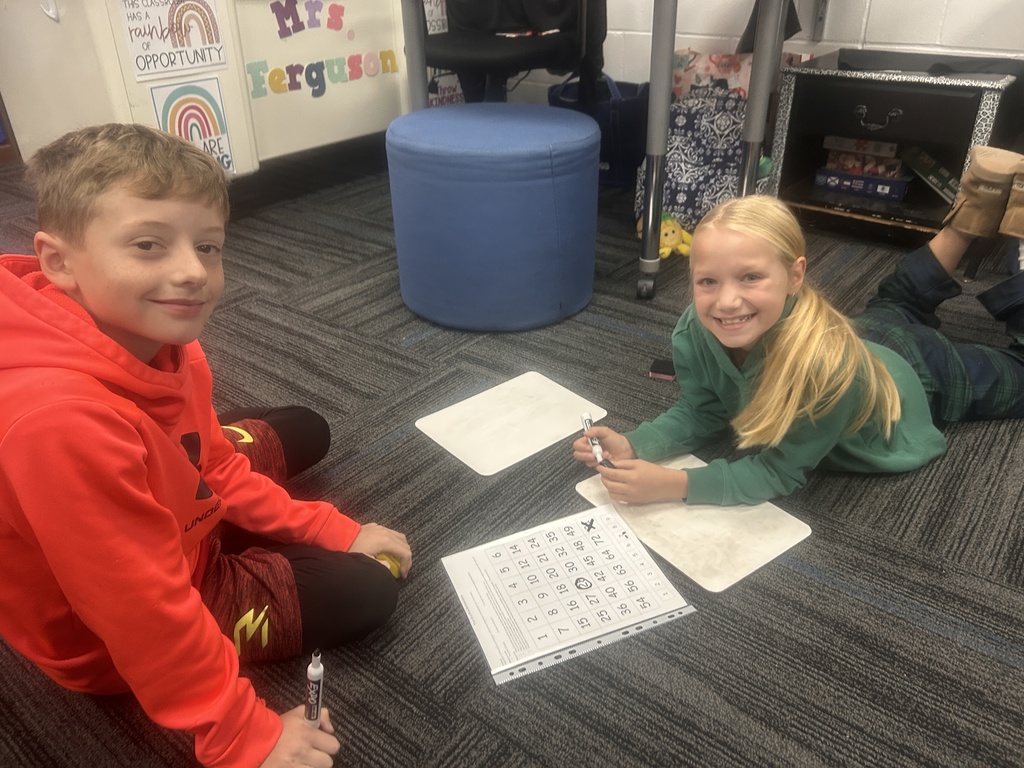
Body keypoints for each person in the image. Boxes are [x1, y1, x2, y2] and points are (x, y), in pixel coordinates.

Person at [0, 123, 413, 768]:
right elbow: (143, 611)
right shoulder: (61, 424)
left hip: (149, 486)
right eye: (148, 246)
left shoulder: (167, 341)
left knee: (305, 428)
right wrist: (242, 737)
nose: (192, 272)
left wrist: (326, 524)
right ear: (58, 262)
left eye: (209, 246)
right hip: (112, 631)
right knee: (368, 592)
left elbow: (210, 459)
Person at [574, 145, 1024, 507]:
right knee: (895, 301)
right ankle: (973, 211)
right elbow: (705, 409)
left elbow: (777, 471)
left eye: (750, 277)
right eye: (707, 281)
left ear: (796, 275)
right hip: (859, 333)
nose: (725, 301)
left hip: (917, 378)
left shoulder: (825, 369)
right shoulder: (697, 327)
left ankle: (1018, 232)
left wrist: (677, 484)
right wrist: (637, 443)